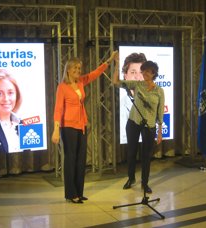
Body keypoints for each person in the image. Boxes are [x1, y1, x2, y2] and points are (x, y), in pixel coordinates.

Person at [51, 51, 116, 204]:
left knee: (81, 160)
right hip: (68, 127)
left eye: (79, 69)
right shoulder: (62, 87)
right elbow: (58, 109)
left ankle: (79, 192)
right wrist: (56, 129)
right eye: (75, 69)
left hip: (82, 126)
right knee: (71, 159)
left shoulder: (80, 82)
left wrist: (110, 60)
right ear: (68, 70)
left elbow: (95, 73)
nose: (78, 72)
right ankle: (70, 193)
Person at [113, 52, 164, 193]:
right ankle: (131, 178)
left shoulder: (159, 91)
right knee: (131, 152)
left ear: (154, 73)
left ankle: (145, 182)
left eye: (148, 71)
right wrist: (117, 64)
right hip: (133, 122)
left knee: (146, 156)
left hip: (149, 125)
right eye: (144, 71)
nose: (144, 73)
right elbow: (116, 83)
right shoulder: (137, 85)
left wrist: (159, 132)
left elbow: (160, 113)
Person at [119, 53, 147, 144]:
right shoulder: (121, 105)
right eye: (133, 72)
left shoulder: (153, 98)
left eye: (141, 72)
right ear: (125, 76)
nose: (138, 77)